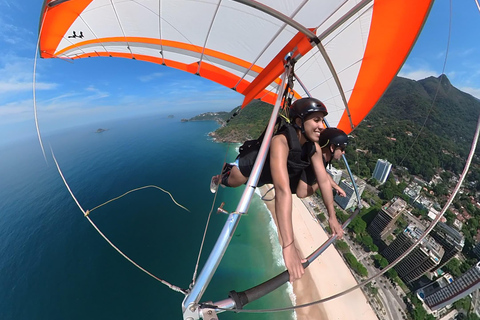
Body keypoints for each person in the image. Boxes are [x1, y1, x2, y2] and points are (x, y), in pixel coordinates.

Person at [211, 97, 345, 282]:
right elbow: (282, 191)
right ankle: (219, 177)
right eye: (316, 120)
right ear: (299, 121)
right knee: (231, 181)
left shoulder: (312, 147)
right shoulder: (280, 141)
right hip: (249, 169)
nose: (322, 126)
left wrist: (332, 217)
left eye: (322, 120)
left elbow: (323, 179)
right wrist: (288, 245)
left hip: (268, 176)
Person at [318, 127, 349, 197]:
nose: (343, 152)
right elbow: (302, 192)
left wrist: (336, 187)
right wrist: (320, 181)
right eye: (342, 149)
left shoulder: (321, 159)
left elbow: (323, 173)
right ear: (332, 148)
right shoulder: (315, 161)